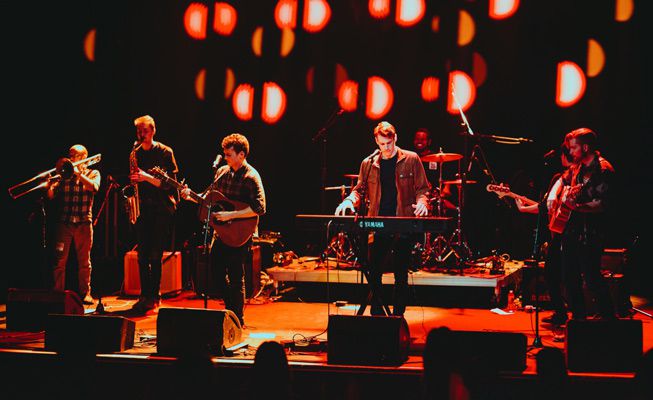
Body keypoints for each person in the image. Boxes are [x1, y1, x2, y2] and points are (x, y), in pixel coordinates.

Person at [335, 121, 429, 316]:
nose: (386, 148)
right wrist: (349, 200)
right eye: (382, 144)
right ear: (376, 142)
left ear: (395, 138)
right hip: (378, 223)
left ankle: (398, 316)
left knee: (401, 274)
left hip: (402, 222)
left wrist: (422, 203)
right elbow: (359, 190)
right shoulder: (368, 163)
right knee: (374, 271)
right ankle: (376, 314)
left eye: (389, 143)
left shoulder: (412, 159)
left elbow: (422, 189)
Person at [181, 133, 266, 327]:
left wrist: (231, 215)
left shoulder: (251, 177)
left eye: (229, 154)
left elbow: (260, 208)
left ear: (241, 155)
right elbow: (207, 199)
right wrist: (190, 195)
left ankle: (238, 319)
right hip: (222, 233)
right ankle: (230, 309)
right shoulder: (221, 172)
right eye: (225, 154)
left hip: (241, 233)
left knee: (236, 276)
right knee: (215, 271)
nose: (225, 157)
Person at [558, 127, 615, 320]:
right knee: (569, 277)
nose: (570, 151)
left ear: (585, 147)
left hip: (591, 232)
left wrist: (577, 207)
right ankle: (579, 321)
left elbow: (602, 204)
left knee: (592, 278)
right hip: (572, 230)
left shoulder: (603, 169)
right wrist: (559, 196)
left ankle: (608, 319)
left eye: (573, 148)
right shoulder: (577, 167)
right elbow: (564, 182)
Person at [515, 143, 573, 325]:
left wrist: (523, 209)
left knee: (562, 274)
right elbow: (545, 206)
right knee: (553, 273)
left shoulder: (568, 178)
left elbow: (544, 207)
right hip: (559, 232)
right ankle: (562, 313)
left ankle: (568, 313)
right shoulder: (561, 178)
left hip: (569, 233)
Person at [129, 115, 179, 314]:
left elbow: (170, 185)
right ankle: (144, 295)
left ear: (153, 131)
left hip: (161, 208)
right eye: (139, 131)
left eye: (145, 131)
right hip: (143, 208)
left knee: (155, 255)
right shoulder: (135, 153)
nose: (141, 134)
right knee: (142, 255)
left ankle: (155, 296)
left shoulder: (165, 152)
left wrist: (146, 177)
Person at [47, 145, 101, 304]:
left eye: (74, 155)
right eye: (70, 155)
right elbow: (51, 196)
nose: (70, 158)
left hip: (84, 224)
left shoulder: (93, 173)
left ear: (84, 157)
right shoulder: (64, 175)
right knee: (59, 260)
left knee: (85, 262)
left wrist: (78, 174)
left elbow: (94, 188)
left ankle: (86, 293)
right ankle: (57, 293)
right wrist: (48, 185)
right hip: (64, 225)